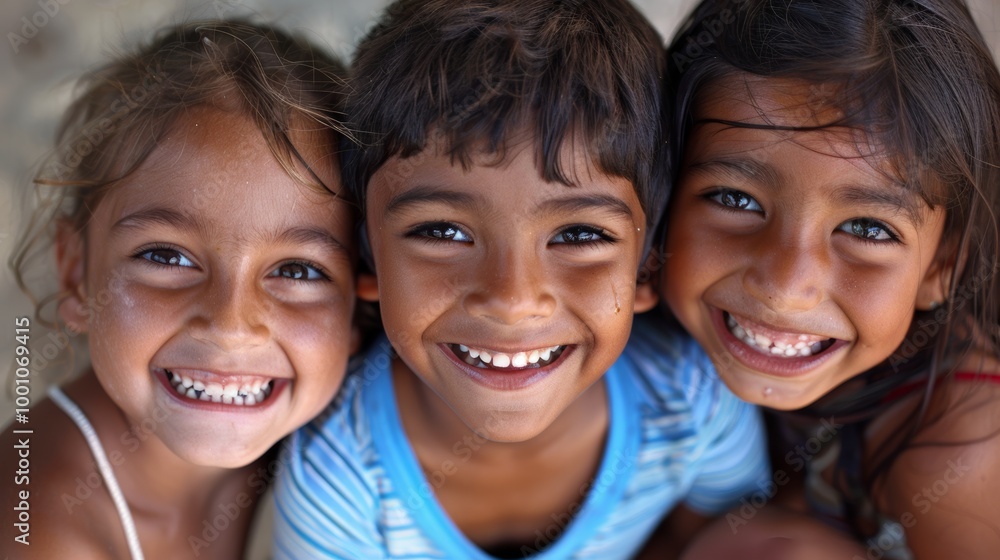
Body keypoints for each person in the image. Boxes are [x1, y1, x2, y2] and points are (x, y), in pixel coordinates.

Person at [271, 1, 771, 558]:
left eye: (579, 235)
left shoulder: (693, 401)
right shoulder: (338, 478)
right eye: (442, 232)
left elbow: (707, 543)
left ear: (647, 268)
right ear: (368, 261)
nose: (512, 300)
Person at [0, 20, 358, 559]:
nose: (231, 326)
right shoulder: (35, 530)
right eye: (166, 256)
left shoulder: (346, 448)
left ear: (363, 300)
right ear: (76, 275)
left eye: (299, 270)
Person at [659, 0, 1000, 557]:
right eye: (735, 199)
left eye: (866, 228)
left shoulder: (960, 450)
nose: (785, 287)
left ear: (940, 266)